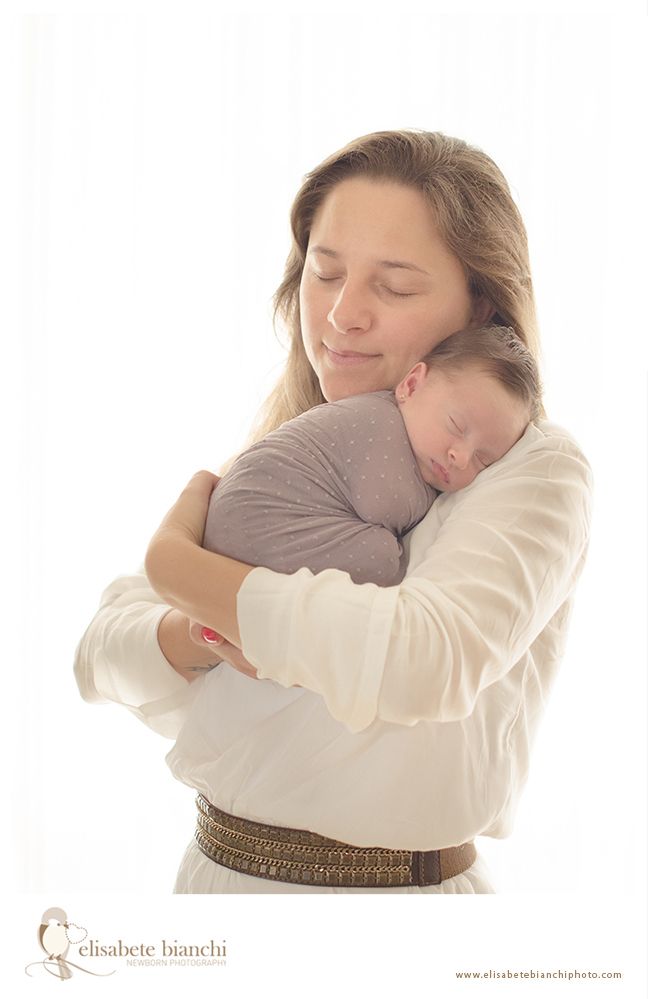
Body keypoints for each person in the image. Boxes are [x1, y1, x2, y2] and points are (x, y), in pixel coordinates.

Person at [75, 130, 593, 894]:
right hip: (212, 886)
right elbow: (97, 655)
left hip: (397, 909)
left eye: (395, 286)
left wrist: (179, 565)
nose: (342, 314)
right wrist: (197, 631)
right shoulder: (297, 451)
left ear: (478, 307)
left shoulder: (528, 467)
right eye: (324, 273)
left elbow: (424, 657)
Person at [201, 325, 540, 590]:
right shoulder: (382, 425)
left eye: (484, 460)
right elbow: (385, 508)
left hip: (226, 536)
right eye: (456, 425)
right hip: (249, 528)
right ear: (411, 385)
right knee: (385, 561)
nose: (461, 457)